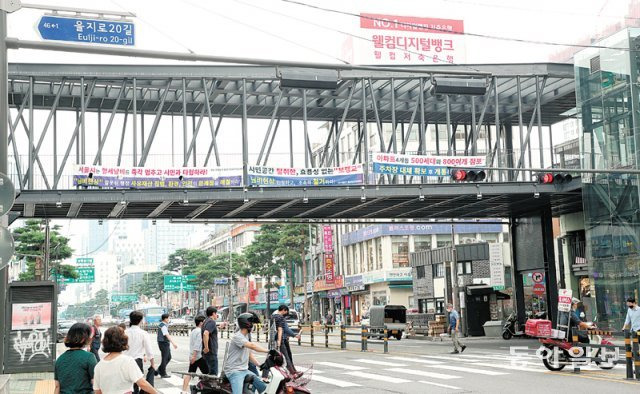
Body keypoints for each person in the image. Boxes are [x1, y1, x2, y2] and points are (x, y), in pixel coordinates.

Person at [93, 326, 157, 394]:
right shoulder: (127, 361)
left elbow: (97, 391)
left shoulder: (99, 365)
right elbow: (142, 383)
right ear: (124, 341)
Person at [224, 312, 269, 394]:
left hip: (244, 370)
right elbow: (252, 346)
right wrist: (268, 351)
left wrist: (260, 365)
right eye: (252, 323)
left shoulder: (246, 336)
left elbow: (249, 354)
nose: (253, 326)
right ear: (248, 324)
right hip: (234, 371)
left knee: (263, 387)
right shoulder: (237, 337)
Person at [54, 323, 97, 394]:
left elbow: (57, 387)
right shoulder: (89, 357)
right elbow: (95, 383)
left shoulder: (59, 360)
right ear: (83, 338)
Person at [124, 311, 156, 394]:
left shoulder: (124, 333)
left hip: (124, 361)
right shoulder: (143, 333)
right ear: (141, 320)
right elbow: (149, 350)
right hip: (137, 361)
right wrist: (152, 363)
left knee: (128, 384)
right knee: (137, 383)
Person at [182, 315, 209, 394]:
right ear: (201, 323)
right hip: (198, 356)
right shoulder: (200, 331)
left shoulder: (194, 331)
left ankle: (184, 391)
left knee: (190, 373)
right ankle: (198, 387)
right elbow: (197, 345)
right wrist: (194, 356)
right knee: (207, 374)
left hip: (193, 355)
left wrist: (192, 356)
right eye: (204, 322)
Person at [272, 305, 301, 375]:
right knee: (286, 356)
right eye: (286, 312)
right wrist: (295, 335)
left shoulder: (272, 316)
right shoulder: (280, 317)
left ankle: (291, 370)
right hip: (281, 339)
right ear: (283, 310)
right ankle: (292, 372)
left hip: (274, 339)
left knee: (279, 356)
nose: (286, 314)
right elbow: (282, 329)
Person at [157, 313, 178, 378]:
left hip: (162, 342)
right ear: (165, 319)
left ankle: (158, 370)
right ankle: (163, 373)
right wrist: (173, 343)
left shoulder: (162, 324)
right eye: (168, 318)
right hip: (164, 343)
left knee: (168, 357)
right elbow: (166, 334)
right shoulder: (163, 326)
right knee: (165, 358)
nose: (169, 319)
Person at [202, 306, 219, 375]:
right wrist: (206, 347)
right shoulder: (211, 322)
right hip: (210, 351)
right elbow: (206, 333)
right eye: (216, 313)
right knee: (213, 373)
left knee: (209, 372)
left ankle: (204, 385)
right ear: (213, 313)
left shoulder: (205, 321)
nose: (216, 315)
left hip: (207, 352)